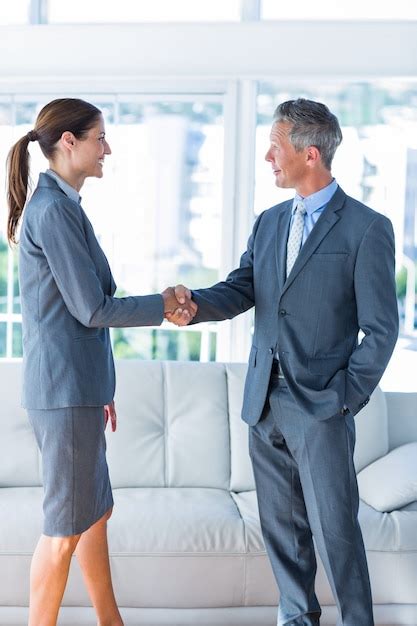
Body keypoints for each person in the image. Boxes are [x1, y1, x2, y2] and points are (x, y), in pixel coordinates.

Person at [167, 99, 399, 625]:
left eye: (275, 147)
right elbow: (244, 288)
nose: (268, 158)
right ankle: (297, 619)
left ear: (309, 153)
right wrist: (194, 305)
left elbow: (382, 329)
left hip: (321, 406)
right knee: (282, 530)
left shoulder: (366, 228)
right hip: (262, 400)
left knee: (335, 528)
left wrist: (343, 397)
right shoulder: (270, 222)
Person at [6, 97, 195, 626]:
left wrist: (101, 386)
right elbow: (91, 309)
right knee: (65, 528)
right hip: (63, 394)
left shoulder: (63, 206)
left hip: (78, 390)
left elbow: (72, 313)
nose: (106, 148)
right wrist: (163, 304)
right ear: (70, 142)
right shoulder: (52, 210)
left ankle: (111, 621)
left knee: (95, 514)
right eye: (99, 138)